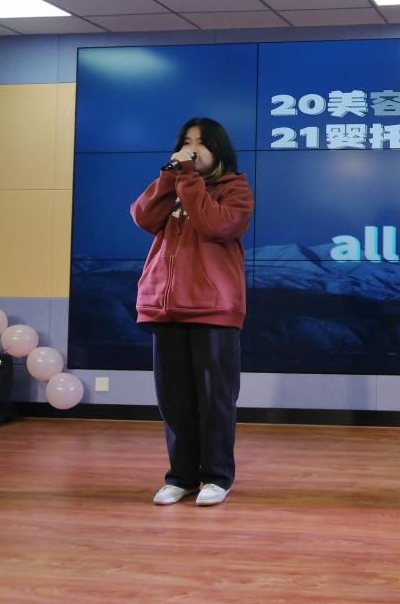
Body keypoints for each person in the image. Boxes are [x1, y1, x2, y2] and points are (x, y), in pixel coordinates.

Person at [130, 118, 254, 507]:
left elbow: (215, 225)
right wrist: (169, 178)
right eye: (186, 142)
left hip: (213, 310)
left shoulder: (235, 189)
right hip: (165, 309)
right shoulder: (175, 185)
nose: (192, 149)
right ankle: (180, 477)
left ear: (219, 149)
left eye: (201, 143)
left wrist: (187, 179)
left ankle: (216, 477)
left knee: (215, 398)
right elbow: (142, 217)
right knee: (174, 400)